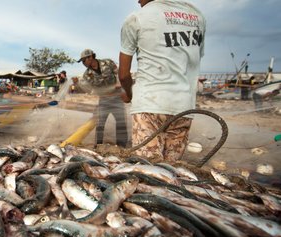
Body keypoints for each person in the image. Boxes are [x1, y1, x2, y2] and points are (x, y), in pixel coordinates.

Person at [119, 0, 206, 162]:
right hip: (184, 107)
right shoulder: (197, 16)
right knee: (169, 170)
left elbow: (123, 75)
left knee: (149, 173)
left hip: (149, 107)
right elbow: (193, 60)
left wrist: (128, 94)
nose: (137, 0)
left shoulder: (136, 18)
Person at [73, 49, 129, 147]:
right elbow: (87, 89)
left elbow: (119, 73)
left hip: (117, 98)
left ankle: (122, 146)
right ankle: (98, 145)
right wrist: (77, 83)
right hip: (103, 100)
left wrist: (119, 84)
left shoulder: (107, 63)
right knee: (99, 124)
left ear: (90, 57)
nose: (83, 63)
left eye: (83, 60)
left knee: (121, 123)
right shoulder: (87, 75)